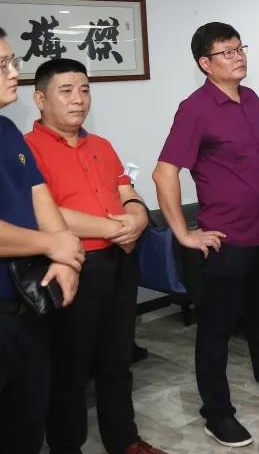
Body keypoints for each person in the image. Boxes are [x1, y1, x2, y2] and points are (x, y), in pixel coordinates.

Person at [152, 22, 259, 448]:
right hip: (226, 238)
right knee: (216, 328)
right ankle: (217, 413)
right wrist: (184, 234)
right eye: (226, 52)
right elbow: (164, 173)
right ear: (205, 63)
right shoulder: (195, 108)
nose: (238, 57)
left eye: (239, 48)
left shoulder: (251, 99)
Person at [24, 58, 165, 454]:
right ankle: (67, 445)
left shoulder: (101, 145)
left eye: (85, 90)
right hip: (72, 267)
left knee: (117, 358)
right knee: (70, 366)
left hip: (120, 261)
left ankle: (125, 439)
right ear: (40, 99)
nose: (79, 99)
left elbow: (126, 191)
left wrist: (138, 217)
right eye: (67, 91)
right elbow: (45, 211)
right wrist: (113, 228)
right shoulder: (27, 149)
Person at [0, 27, 83, 454]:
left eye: (12, 62)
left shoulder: (7, 131)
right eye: (3, 65)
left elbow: (38, 193)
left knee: (27, 426)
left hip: (28, 308)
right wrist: (52, 246)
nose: (15, 72)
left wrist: (65, 256)